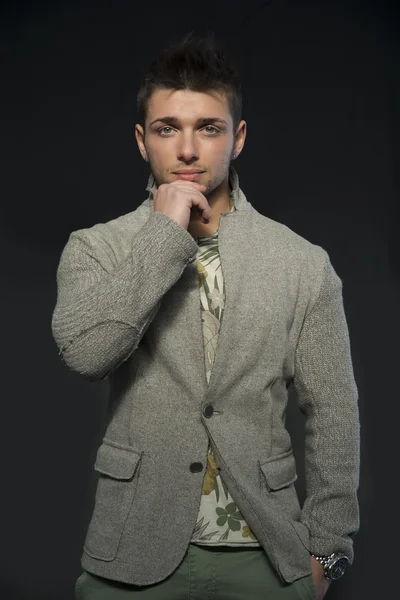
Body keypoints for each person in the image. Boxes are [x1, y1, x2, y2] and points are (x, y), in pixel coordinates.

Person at [51, 30, 360, 600]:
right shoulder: (97, 248)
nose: (187, 150)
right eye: (168, 129)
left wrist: (328, 552)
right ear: (143, 141)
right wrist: (165, 233)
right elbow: (87, 352)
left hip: (268, 556)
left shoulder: (302, 263)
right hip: (131, 551)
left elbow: (334, 412)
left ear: (237, 138)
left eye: (208, 128)